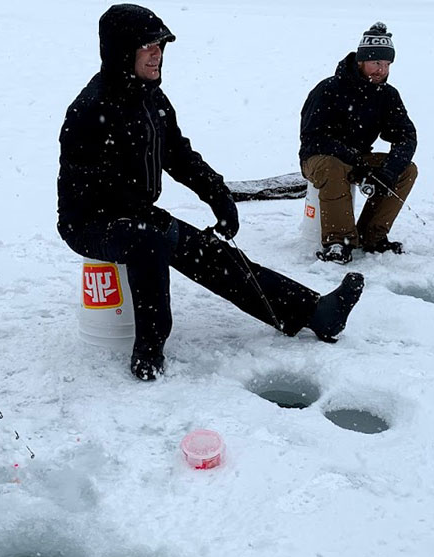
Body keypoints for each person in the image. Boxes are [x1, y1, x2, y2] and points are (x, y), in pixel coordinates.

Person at [58, 4, 365, 381]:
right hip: (89, 222)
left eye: (160, 45)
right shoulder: (90, 110)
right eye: (146, 46)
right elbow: (89, 192)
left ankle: (314, 312)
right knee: (149, 242)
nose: (156, 54)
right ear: (122, 51)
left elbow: (179, 155)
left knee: (211, 253)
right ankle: (149, 349)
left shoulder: (152, 99)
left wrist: (218, 196)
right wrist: (152, 222)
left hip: (137, 215)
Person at [300, 22, 419, 264]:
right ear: (361, 61)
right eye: (376, 63)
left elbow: (406, 136)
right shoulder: (328, 89)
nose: (382, 70)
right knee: (333, 167)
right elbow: (313, 138)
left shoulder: (387, 95)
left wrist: (388, 172)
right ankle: (338, 242)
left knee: (406, 170)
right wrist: (352, 158)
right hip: (318, 158)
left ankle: (372, 236)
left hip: (359, 158)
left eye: (387, 65)